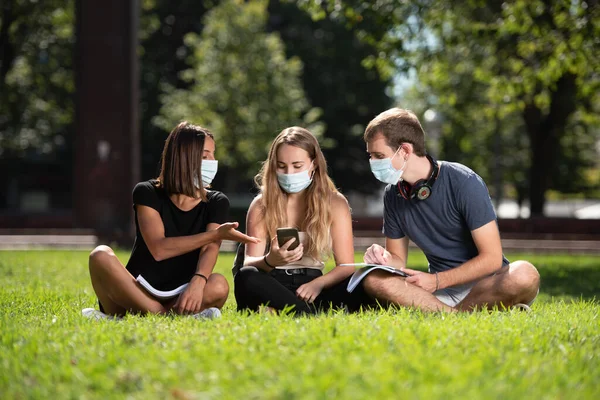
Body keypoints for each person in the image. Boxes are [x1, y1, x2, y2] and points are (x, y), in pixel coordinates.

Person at [361, 108, 540, 312]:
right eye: (371, 156)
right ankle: (462, 314)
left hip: (488, 285)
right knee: (374, 279)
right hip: (440, 293)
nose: (373, 163)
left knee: (525, 274)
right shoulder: (392, 194)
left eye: (378, 155)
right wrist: (383, 259)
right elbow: (398, 260)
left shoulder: (464, 180)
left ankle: (446, 311)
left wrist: (437, 281)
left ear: (405, 150)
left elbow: (492, 258)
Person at [83, 122, 259, 319]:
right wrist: (214, 235)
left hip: (181, 292)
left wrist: (199, 281)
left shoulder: (216, 201)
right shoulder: (147, 192)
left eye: (212, 154)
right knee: (99, 255)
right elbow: (159, 249)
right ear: (183, 158)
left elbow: (210, 249)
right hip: (138, 288)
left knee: (219, 284)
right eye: (204, 156)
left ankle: (147, 316)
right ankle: (161, 315)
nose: (212, 161)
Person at [234, 127, 373, 315]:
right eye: (281, 166)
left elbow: (346, 266)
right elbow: (248, 263)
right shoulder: (261, 204)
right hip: (273, 283)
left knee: (365, 281)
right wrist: (270, 260)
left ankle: (297, 311)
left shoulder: (335, 202)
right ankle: (307, 314)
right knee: (246, 277)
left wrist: (318, 284)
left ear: (314, 164)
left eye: (297, 166)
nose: (289, 172)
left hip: (316, 286)